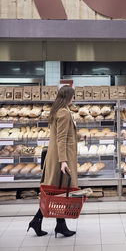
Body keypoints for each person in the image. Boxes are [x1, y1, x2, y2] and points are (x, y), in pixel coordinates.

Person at [27, 85, 77, 237]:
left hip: (57, 156)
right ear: (69, 97)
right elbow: (61, 138)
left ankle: (50, 223)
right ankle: (56, 225)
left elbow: (62, 135)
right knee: (58, 192)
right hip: (60, 159)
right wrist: (63, 161)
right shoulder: (64, 113)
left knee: (56, 192)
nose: (74, 99)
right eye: (73, 96)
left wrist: (79, 137)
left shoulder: (58, 110)